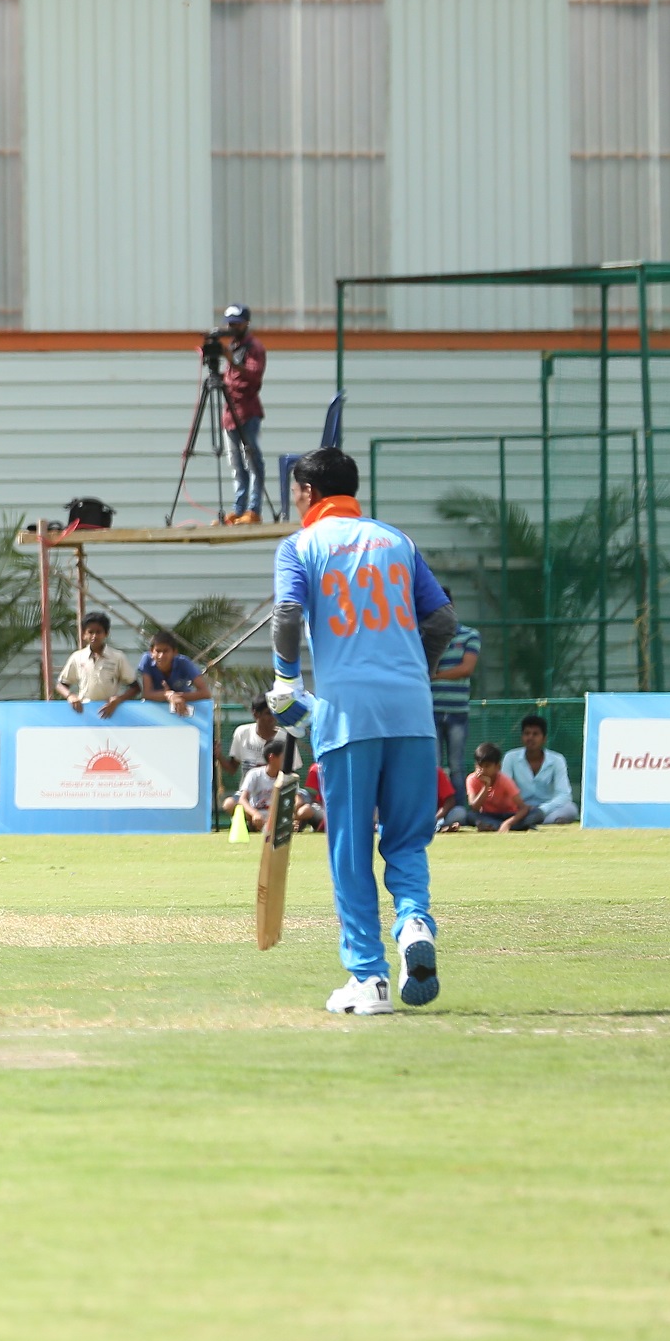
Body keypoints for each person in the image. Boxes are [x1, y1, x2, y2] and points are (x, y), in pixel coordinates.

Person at [267, 443, 460, 1015]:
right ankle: (414, 923)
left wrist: (284, 681)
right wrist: (416, 671)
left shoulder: (298, 545)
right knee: (407, 840)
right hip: (412, 711)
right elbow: (443, 618)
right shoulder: (398, 541)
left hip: (347, 713)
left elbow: (286, 617)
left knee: (350, 849)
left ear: (306, 493)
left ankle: (370, 978)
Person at [215, 304, 268, 524]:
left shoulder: (254, 347)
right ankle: (238, 509)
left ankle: (253, 510)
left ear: (246, 323)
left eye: (237, 322)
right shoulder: (234, 346)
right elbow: (233, 376)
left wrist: (230, 360)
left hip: (247, 412)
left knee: (253, 462)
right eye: (230, 323)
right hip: (230, 414)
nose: (232, 327)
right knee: (236, 464)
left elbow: (255, 375)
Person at [429, 622, 482, 788]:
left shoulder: (469, 635)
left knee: (456, 766)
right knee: (433, 767)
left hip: (457, 711)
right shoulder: (427, 636)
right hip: (431, 711)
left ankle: (458, 810)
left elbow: (466, 668)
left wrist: (435, 676)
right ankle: (436, 811)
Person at [120, 627, 208, 719]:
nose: (161, 656)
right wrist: (169, 695)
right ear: (151, 652)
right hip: (154, 709)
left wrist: (177, 696)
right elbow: (147, 694)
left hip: (182, 708)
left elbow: (205, 693)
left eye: (166, 651)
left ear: (174, 652)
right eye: (157, 651)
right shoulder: (146, 660)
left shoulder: (184, 662)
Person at [508, 714, 579, 825]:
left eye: (535, 734)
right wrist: (522, 807)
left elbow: (564, 795)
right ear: (522, 737)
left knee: (571, 809)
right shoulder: (511, 757)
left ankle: (531, 821)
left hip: (547, 810)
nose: (530, 738)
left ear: (544, 738)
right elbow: (505, 790)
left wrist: (541, 810)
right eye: (527, 734)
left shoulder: (557, 760)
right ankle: (532, 821)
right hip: (518, 809)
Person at [57, 611, 130, 717]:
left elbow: (135, 687)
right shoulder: (77, 657)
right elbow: (61, 685)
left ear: (106, 633)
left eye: (99, 632)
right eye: (90, 632)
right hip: (84, 712)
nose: (94, 636)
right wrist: (70, 696)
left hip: (110, 711)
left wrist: (118, 700)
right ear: (84, 634)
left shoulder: (117, 657)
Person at [450, 742, 535, 832]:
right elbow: (474, 806)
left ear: (497, 767)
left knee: (537, 813)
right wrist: (486, 787)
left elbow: (523, 808)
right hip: (488, 815)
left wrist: (508, 823)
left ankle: (496, 826)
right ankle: (511, 827)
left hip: (509, 815)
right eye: (479, 765)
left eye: (487, 766)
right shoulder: (472, 779)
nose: (482, 770)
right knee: (471, 816)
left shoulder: (504, 780)